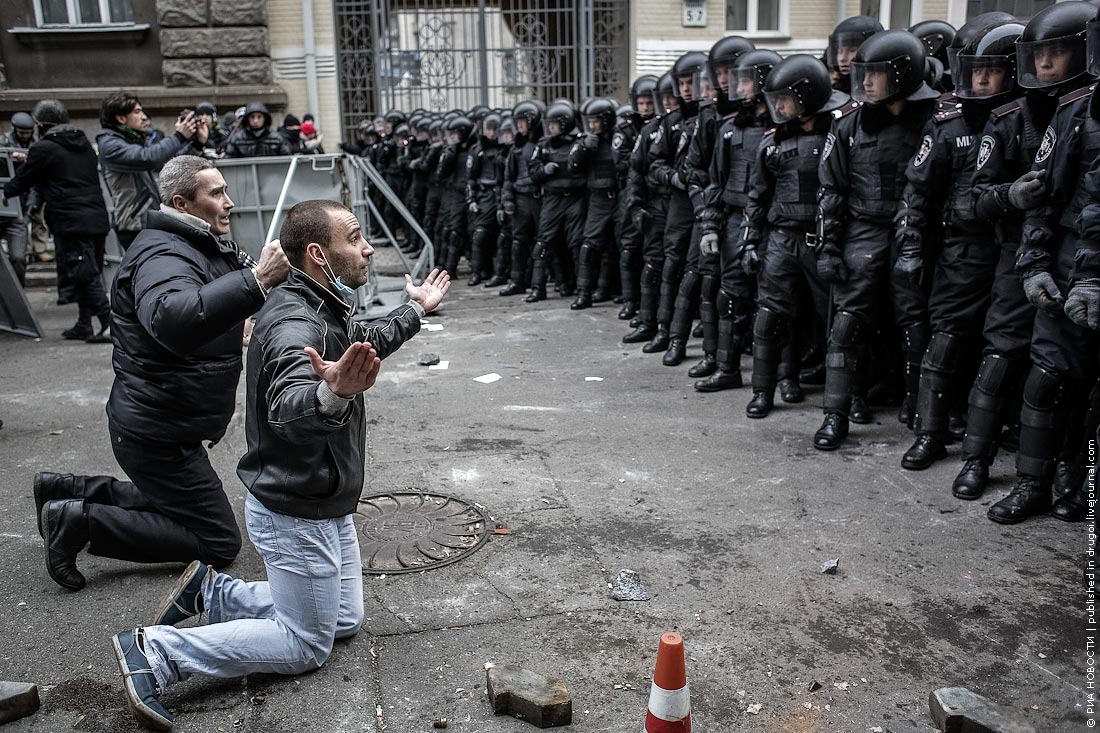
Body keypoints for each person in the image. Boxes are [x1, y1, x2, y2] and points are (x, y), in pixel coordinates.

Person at [109, 199, 450, 731]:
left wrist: (415, 310)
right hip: (295, 510)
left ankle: (215, 593)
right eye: (355, 238)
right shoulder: (296, 321)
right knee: (306, 643)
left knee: (345, 618)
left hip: (322, 498)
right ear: (318, 253)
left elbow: (363, 343)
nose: (368, 249)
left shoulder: (319, 300)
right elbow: (290, 407)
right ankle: (157, 653)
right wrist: (332, 394)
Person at [32, 155, 290, 591]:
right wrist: (258, 280)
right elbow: (172, 318)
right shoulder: (163, 252)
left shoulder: (190, 241)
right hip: (156, 433)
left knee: (178, 503)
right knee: (217, 541)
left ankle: (65, 490)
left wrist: (234, 330)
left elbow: (193, 311)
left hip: (162, 423)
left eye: (226, 191)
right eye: (216, 193)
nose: (229, 202)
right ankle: (78, 522)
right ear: (182, 203)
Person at [2, 99, 112, 342]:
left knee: (84, 273)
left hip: (71, 219)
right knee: (89, 269)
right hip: (96, 217)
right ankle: (84, 324)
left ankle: (108, 322)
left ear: (42, 125)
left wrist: (7, 192)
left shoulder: (44, 148)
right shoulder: (83, 143)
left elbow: (25, 178)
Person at [97, 92, 206, 251]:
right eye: (137, 112)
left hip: (149, 221)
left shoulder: (132, 140)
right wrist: (179, 136)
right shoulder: (110, 145)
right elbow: (149, 158)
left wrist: (197, 144)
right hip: (134, 225)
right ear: (121, 118)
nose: (143, 117)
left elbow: (170, 164)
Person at [0, 112, 36, 285]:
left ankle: (18, 291)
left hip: (19, 210)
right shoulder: (4, 143)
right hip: (4, 204)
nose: (25, 136)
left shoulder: (36, 146)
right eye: (22, 133)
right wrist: (9, 159)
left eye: (28, 133)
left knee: (18, 258)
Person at [223, 102, 296, 158]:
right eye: (252, 117)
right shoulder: (237, 139)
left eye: (259, 117)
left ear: (264, 118)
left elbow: (287, 159)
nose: (255, 120)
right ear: (247, 119)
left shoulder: (277, 138)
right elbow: (229, 160)